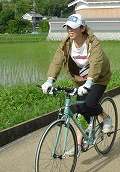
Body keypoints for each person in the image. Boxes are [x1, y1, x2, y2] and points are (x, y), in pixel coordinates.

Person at [41, 13, 112, 157]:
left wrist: (89, 82)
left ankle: (105, 117)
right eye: (67, 27)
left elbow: (96, 63)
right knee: (79, 109)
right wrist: (49, 80)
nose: (69, 31)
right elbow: (57, 61)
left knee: (90, 104)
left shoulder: (93, 43)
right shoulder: (66, 43)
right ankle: (79, 145)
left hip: (98, 78)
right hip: (81, 80)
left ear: (82, 28)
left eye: (73, 28)